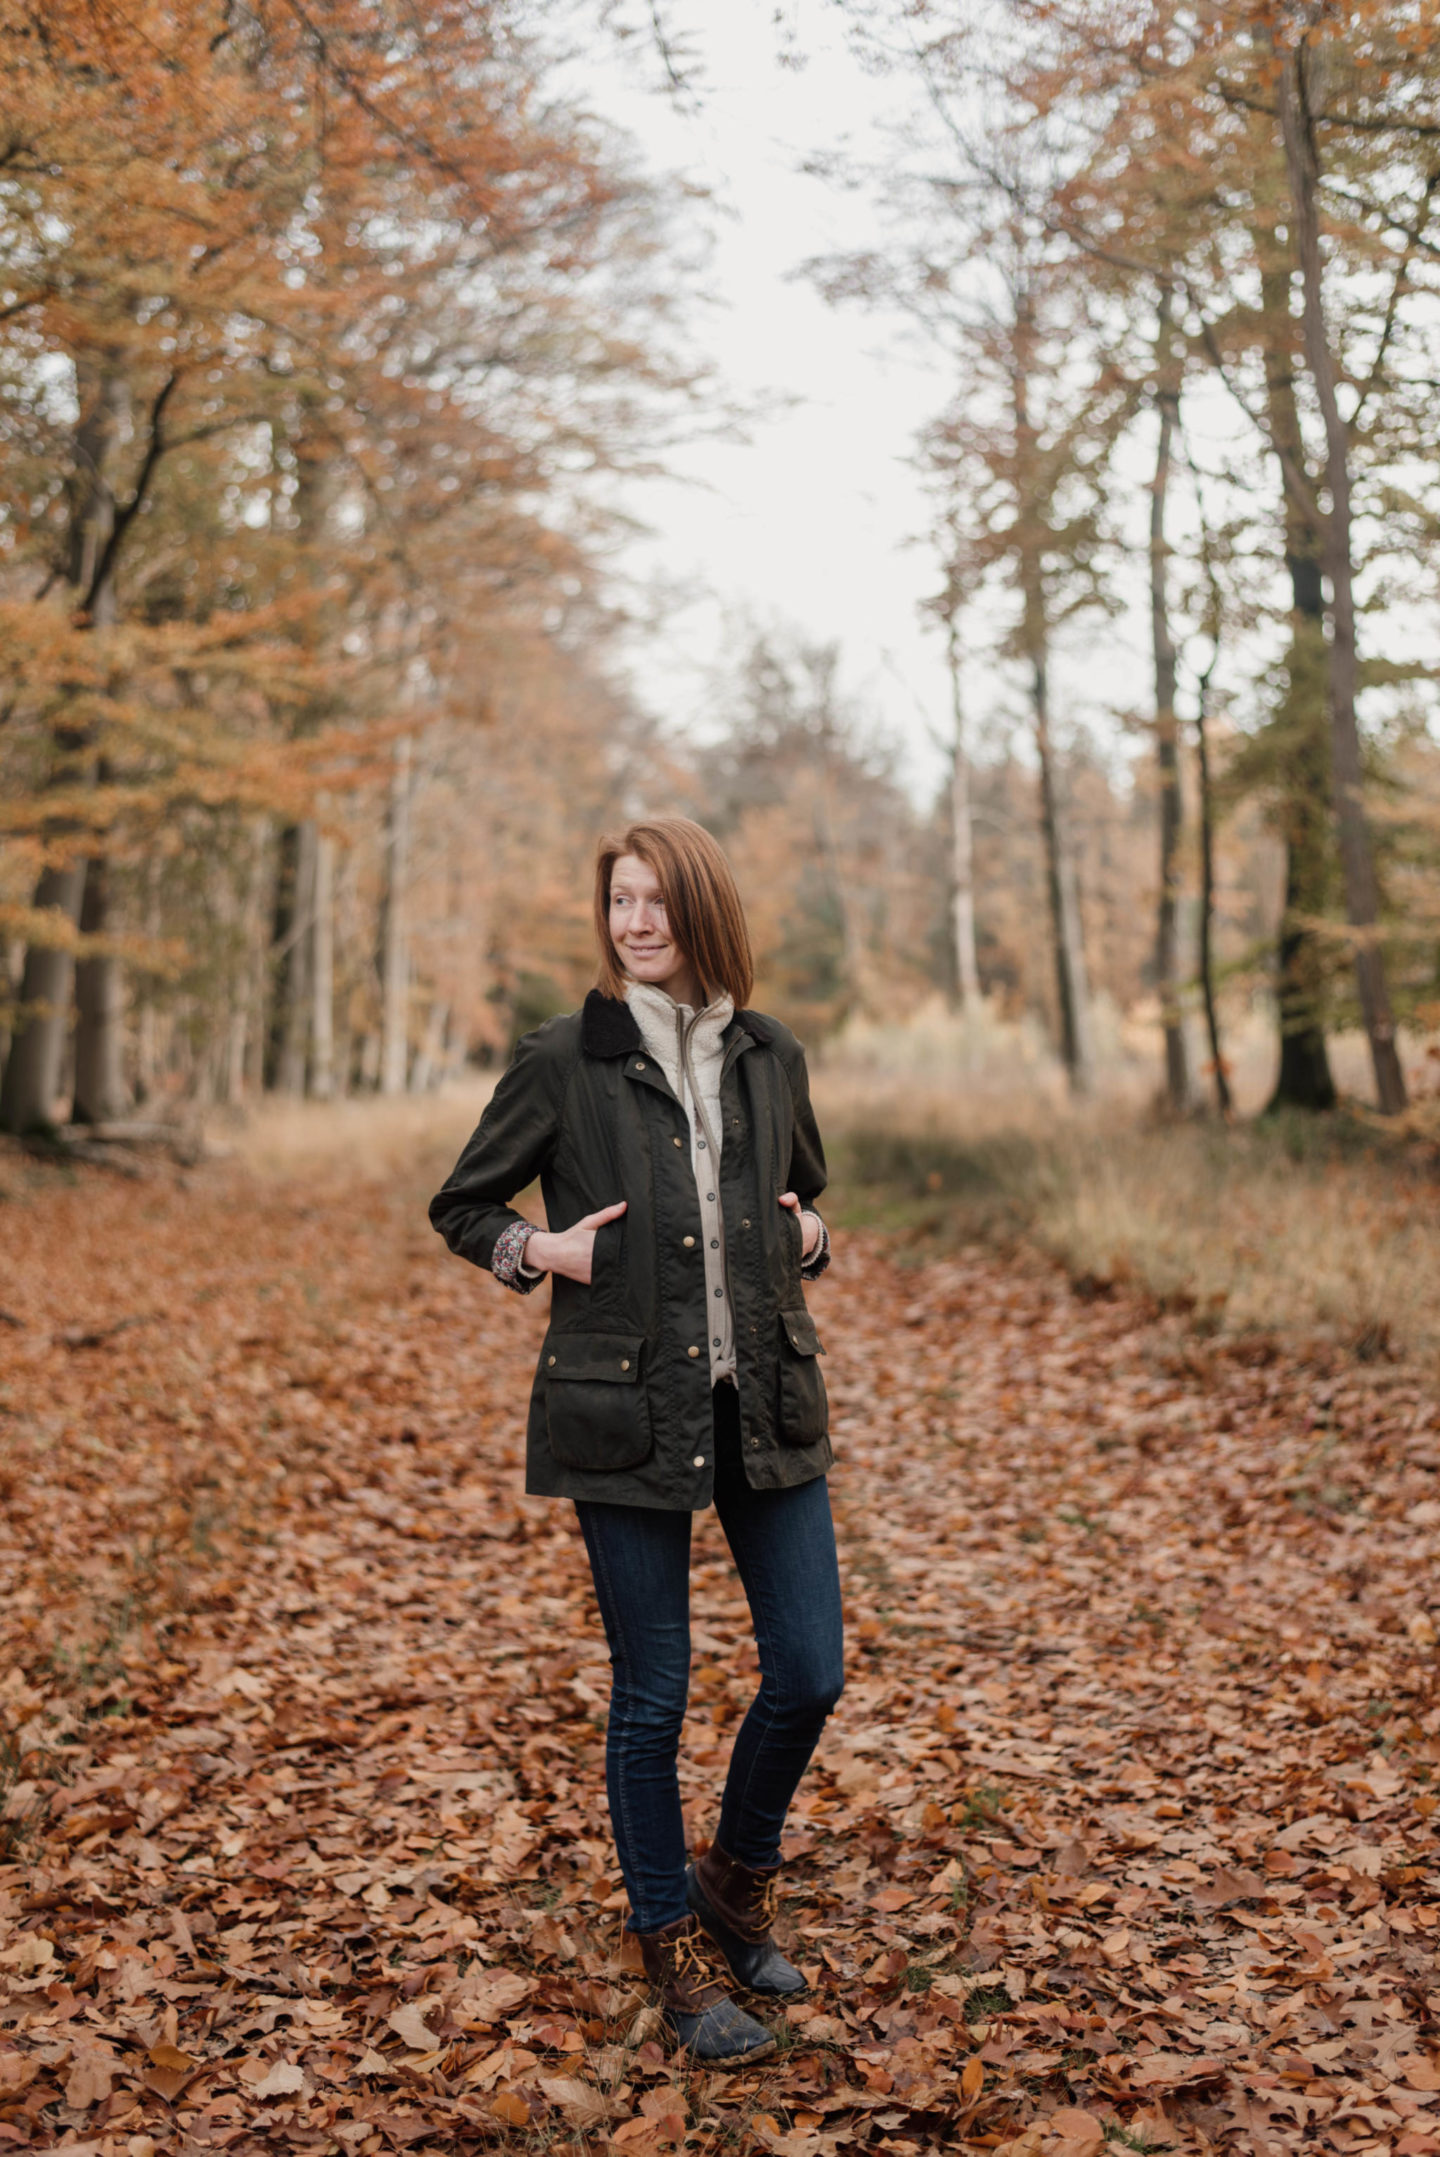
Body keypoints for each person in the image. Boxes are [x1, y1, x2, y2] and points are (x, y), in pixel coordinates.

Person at [430, 816, 844, 2063]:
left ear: (703, 910)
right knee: (653, 1695)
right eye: (620, 901)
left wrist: (815, 1240)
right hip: (620, 1409)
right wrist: (534, 1249)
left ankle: (736, 1875)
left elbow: (803, 1195)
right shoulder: (567, 1058)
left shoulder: (771, 1055)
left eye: (659, 901)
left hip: (760, 1401)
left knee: (810, 1668)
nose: (637, 922)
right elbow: (461, 1203)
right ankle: (667, 1937)